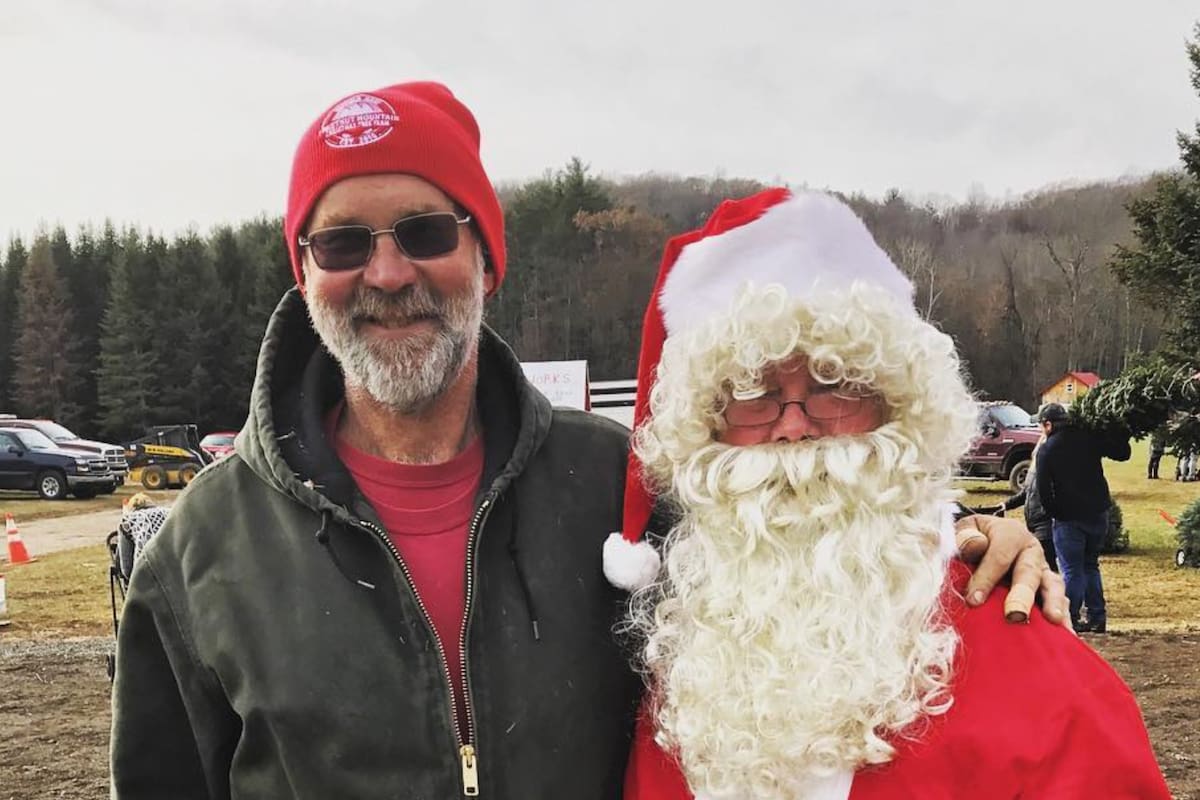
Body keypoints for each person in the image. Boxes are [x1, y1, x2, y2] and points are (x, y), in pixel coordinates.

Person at [110, 83, 1063, 799]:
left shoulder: (616, 486)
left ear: (486, 255)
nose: (388, 272)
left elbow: (809, 541)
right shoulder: (203, 550)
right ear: (306, 270)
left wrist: (966, 540)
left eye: (425, 230)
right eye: (343, 243)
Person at [613, 189, 1168, 799]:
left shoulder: (1039, 676)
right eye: (751, 389)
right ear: (706, 425)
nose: (793, 425)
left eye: (832, 383)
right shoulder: (688, 661)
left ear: (895, 411)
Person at [1035, 402, 1131, 634]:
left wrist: (1056, 514)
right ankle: (1098, 617)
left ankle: (1070, 616)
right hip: (1098, 513)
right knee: (1091, 566)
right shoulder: (1088, 436)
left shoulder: (1047, 450)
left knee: (1071, 570)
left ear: (1048, 424)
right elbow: (1122, 454)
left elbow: (1043, 492)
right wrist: (1121, 429)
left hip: (1069, 518)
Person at [986, 432, 1056, 571]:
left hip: (1045, 526)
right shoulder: (1033, 471)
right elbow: (1025, 493)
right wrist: (1004, 505)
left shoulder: (1051, 471)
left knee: (1045, 566)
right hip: (1033, 524)